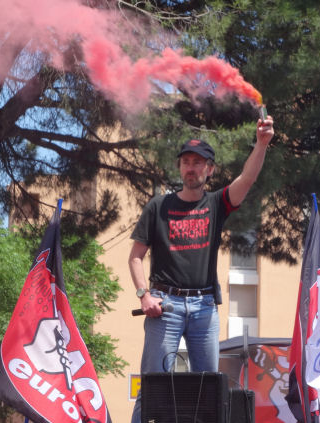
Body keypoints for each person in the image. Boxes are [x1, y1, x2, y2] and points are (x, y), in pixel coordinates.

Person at [128, 114, 275, 422]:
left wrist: (261, 144)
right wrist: (144, 295)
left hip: (204, 308)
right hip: (164, 307)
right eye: (186, 162)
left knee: (209, 390)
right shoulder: (158, 206)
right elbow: (136, 257)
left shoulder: (216, 203)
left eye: (198, 162)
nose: (191, 168)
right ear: (180, 167)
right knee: (151, 386)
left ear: (210, 169)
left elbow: (247, 179)